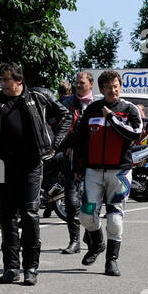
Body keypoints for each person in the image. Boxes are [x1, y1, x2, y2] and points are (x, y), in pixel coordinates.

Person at [0, 63, 70, 285]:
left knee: (29, 214)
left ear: (19, 80)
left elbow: (65, 116)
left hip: (30, 162)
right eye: (1, 80)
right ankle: (10, 267)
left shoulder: (37, 96)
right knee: (6, 215)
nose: (3, 84)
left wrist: (54, 143)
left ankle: (31, 268)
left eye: (7, 80)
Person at [73, 70, 145, 277]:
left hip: (120, 172)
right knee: (86, 216)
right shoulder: (92, 109)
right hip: (93, 172)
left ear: (120, 87)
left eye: (116, 86)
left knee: (114, 220)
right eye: (108, 87)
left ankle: (111, 261)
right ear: (101, 89)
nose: (112, 90)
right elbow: (81, 140)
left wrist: (112, 118)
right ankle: (97, 244)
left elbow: (135, 134)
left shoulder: (129, 109)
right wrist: (78, 166)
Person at [55, 71, 94, 253]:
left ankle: (90, 233)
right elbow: (58, 126)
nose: (78, 85)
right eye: (77, 82)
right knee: (71, 199)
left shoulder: (97, 105)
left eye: (82, 82)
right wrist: (66, 144)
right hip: (71, 155)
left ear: (91, 84)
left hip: (93, 158)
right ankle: (74, 241)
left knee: (92, 198)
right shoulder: (66, 102)